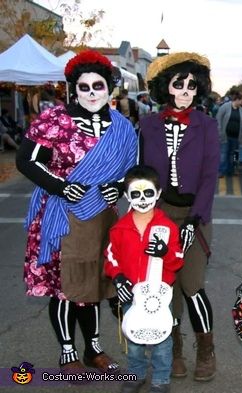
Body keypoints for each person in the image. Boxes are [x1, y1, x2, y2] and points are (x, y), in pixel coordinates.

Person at [15, 50, 137, 374]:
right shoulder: (54, 121)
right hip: (61, 217)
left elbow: (132, 170)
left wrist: (121, 185)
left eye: (99, 86)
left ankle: (94, 349)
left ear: (110, 87)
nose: (92, 93)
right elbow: (25, 160)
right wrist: (60, 186)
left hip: (103, 218)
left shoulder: (123, 127)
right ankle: (68, 351)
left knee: (95, 283)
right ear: (73, 88)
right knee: (66, 286)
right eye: (84, 87)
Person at [139, 51, 220, 382]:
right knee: (164, 286)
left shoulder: (208, 125)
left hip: (194, 215)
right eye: (178, 84)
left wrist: (194, 220)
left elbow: (209, 177)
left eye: (191, 85)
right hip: (158, 214)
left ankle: (206, 349)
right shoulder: (146, 125)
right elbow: (140, 172)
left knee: (192, 285)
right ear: (166, 87)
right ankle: (173, 350)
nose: (185, 91)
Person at [104, 165, 184, 393]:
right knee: (134, 338)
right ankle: (136, 374)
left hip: (159, 295)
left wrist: (164, 252)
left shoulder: (166, 228)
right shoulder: (120, 228)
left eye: (148, 193)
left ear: (158, 194)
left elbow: (178, 259)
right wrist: (118, 277)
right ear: (127, 196)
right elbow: (111, 255)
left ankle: (160, 378)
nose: (142, 199)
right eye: (135, 194)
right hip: (132, 294)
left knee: (161, 339)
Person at [217, 90, 242, 177]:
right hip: (225, 135)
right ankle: (221, 171)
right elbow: (218, 119)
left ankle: (230, 170)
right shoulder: (225, 107)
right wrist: (219, 131)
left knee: (232, 154)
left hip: (236, 136)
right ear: (237, 99)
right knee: (223, 153)